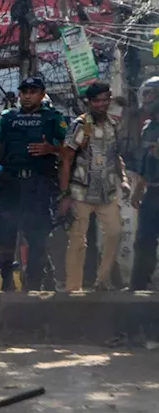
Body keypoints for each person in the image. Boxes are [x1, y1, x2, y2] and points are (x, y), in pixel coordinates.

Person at [0, 76, 66, 291]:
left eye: (33, 91)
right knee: (6, 233)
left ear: (41, 93)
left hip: (38, 184)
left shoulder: (53, 117)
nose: (28, 95)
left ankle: (34, 282)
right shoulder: (9, 118)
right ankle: (6, 278)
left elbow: (70, 148)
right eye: (24, 91)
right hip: (11, 182)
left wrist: (51, 149)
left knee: (37, 235)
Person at [59, 82, 126, 292]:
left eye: (105, 99)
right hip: (81, 191)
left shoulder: (113, 125)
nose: (101, 104)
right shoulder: (81, 125)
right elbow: (66, 158)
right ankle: (73, 288)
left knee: (115, 233)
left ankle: (102, 281)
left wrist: (123, 179)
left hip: (107, 191)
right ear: (89, 102)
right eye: (97, 100)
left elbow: (115, 156)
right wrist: (65, 193)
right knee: (78, 241)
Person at [129, 77, 159, 290]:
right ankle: (139, 284)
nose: (146, 98)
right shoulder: (148, 127)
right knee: (144, 240)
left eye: (150, 94)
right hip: (152, 191)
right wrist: (137, 191)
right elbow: (143, 164)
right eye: (145, 94)